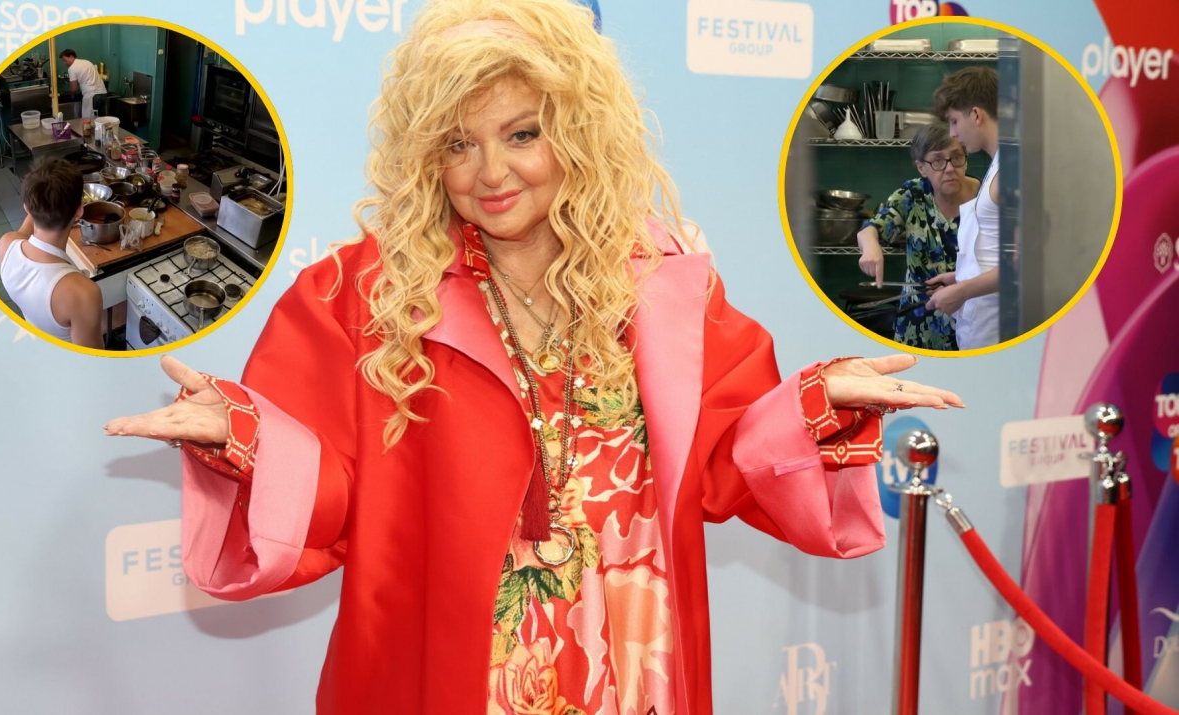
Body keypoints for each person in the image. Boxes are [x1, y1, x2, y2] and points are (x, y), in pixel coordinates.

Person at [103, 1, 962, 712]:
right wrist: (245, 437)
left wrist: (816, 402)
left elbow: (726, 455)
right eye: (457, 143)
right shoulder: (360, 294)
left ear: (578, 133)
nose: (490, 172)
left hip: (630, 659)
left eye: (521, 134)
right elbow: (325, 491)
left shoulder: (661, 281)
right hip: (449, 672)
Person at [857, 122, 980, 351]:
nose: (949, 168)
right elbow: (871, 228)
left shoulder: (985, 199)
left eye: (956, 157)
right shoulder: (913, 195)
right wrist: (871, 247)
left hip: (972, 321)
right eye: (937, 161)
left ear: (966, 159)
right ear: (922, 167)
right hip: (916, 324)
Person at [925, 66, 1001, 349]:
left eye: (954, 122)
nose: (953, 133)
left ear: (976, 115)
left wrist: (962, 291)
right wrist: (960, 277)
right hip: (982, 320)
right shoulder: (998, 165)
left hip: (996, 327)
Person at [0, 158, 104, 348]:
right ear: (79, 211)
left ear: (26, 208)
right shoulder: (83, 293)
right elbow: (93, 358)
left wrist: (42, 199)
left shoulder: (6, 245)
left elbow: (25, 228)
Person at [59, 49, 106, 119]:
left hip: (92, 96)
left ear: (71, 57)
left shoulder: (72, 68)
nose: (64, 63)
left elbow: (74, 89)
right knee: (101, 120)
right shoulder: (87, 62)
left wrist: (72, 96)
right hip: (103, 93)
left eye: (65, 60)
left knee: (89, 121)